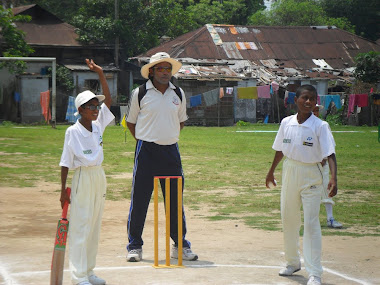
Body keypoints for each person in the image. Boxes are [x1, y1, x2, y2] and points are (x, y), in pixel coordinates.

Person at [125, 52, 198, 262]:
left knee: (174, 201)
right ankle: (134, 246)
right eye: (160, 68)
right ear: (151, 71)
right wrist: (145, 139)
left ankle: (180, 245)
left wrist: (168, 136)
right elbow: (131, 122)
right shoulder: (139, 93)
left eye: (168, 69)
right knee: (140, 200)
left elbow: (181, 121)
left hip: (171, 152)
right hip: (146, 151)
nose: (165, 72)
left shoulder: (179, 93)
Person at [266, 85, 338, 285]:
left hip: (312, 173)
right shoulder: (286, 123)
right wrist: (271, 171)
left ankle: (315, 272)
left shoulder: (320, 126)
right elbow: (280, 150)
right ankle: (292, 262)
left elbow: (330, 154)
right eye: (305, 98)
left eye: (312, 99)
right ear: (295, 99)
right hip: (290, 170)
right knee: (288, 219)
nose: (308, 102)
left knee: (311, 223)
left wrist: (333, 178)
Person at [59, 59, 114, 285]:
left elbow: (108, 102)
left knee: (93, 226)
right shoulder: (72, 131)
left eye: (96, 107)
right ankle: (79, 276)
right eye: (91, 107)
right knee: (81, 226)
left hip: (98, 176)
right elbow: (64, 162)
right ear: (80, 109)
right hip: (81, 176)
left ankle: (90, 271)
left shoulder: (99, 124)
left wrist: (101, 74)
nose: (95, 110)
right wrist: (63, 190)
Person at [313, 104, 343, 228]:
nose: (315, 113)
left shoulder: (323, 125)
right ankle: (310, 221)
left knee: (327, 190)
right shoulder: (300, 125)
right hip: (306, 165)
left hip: (322, 165)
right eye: (313, 110)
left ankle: (330, 218)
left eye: (316, 110)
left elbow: (329, 147)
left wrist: (323, 158)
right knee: (309, 193)